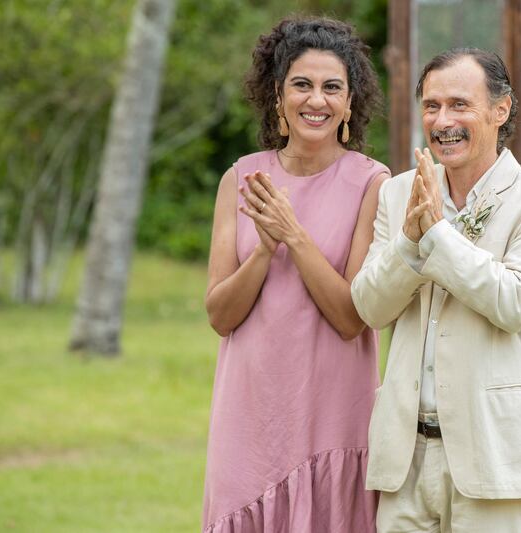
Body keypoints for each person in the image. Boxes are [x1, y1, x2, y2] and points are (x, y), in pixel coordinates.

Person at [351, 48, 521, 532]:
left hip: (494, 454)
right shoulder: (398, 192)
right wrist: (410, 242)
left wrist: (436, 236)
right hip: (404, 458)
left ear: (501, 110)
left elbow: (514, 303)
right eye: (431, 106)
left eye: (459, 104)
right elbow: (370, 307)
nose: (442, 120)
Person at [202, 17, 389, 533]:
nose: (317, 100)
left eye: (333, 88)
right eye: (301, 85)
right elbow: (220, 315)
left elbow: (353, 317)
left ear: (350, 104)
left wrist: (294, 235)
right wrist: (262, 251)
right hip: (251, 412)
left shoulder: (373, 183)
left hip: (333, 414)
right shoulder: (241, 177)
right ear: (277, 97)